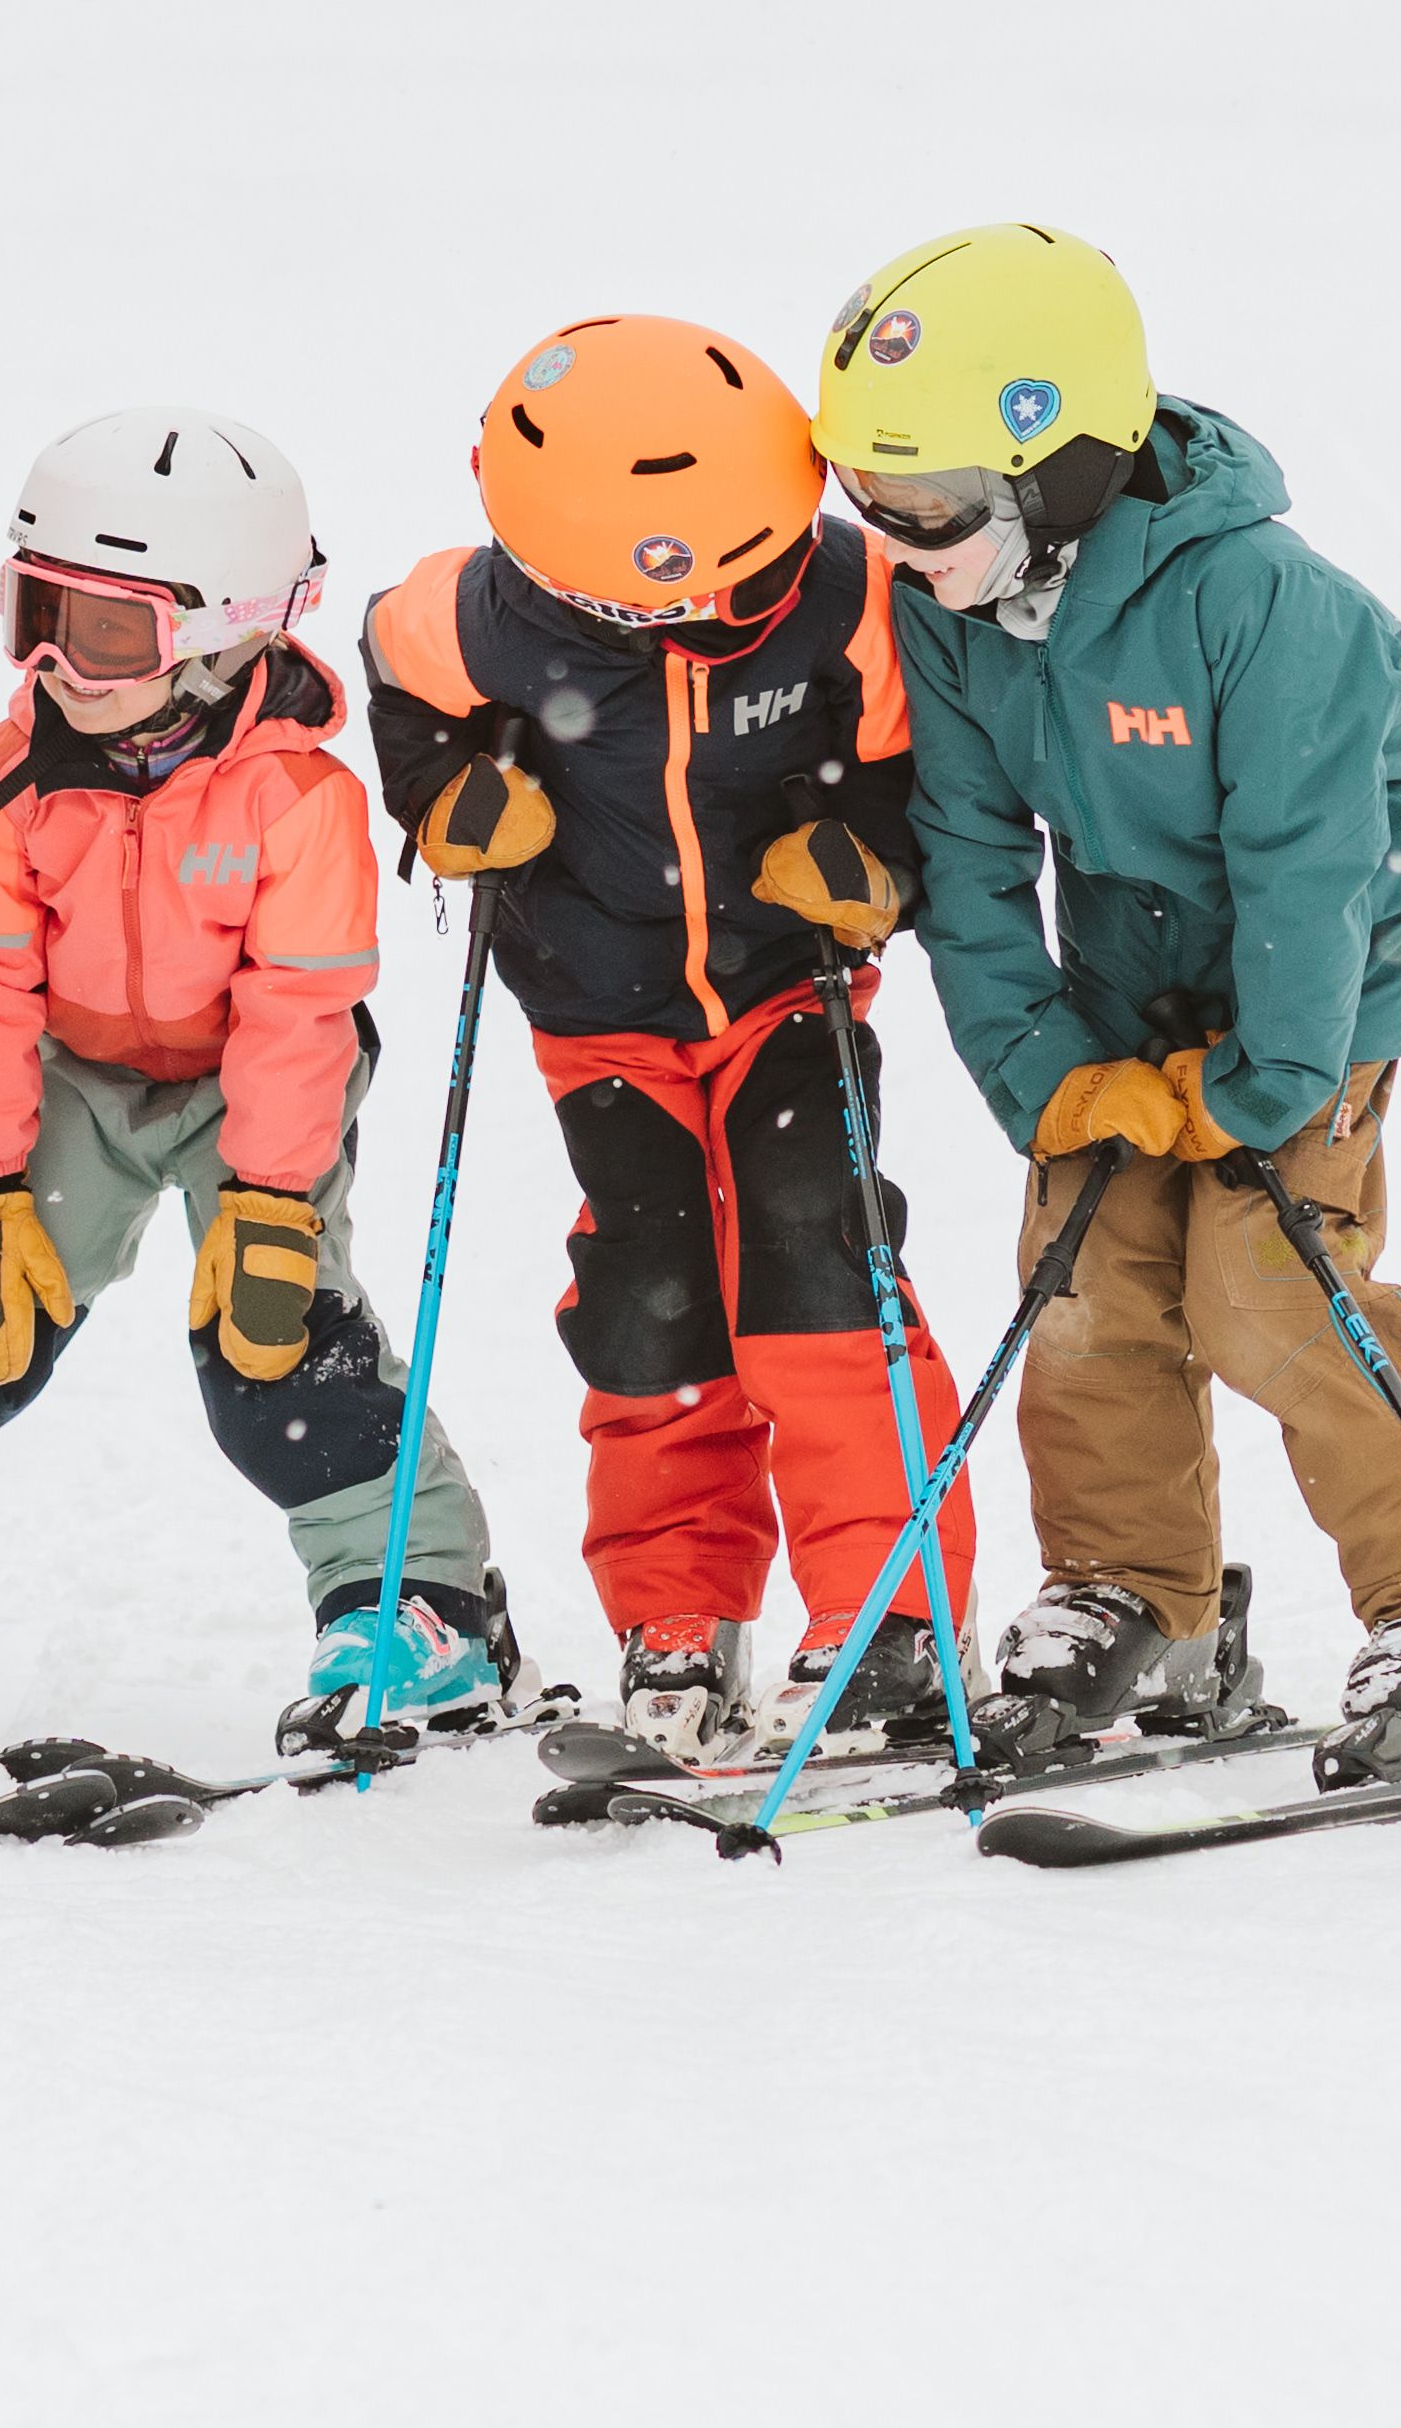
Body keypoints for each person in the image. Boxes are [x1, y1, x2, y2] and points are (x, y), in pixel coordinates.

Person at [809, 223, 1401, 1790]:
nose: (896, 539)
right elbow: (963, 852)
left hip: (1319, 993)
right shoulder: (956, 613)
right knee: (1086, 1285)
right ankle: (1132, 1597)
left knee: (1263, 1290)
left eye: (931, 504)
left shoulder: (1273, 605)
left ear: (1061, 459)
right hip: (1123, 999)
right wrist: (1046, 1071)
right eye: (868, 501)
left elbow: (1313, 864)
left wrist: (1268, 1079)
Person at [0, 406, 520, 1753]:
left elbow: (297, 1007)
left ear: (223, 628)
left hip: (249, 1088)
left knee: (271, 1342)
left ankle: (419, 1603)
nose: (53, 663)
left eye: (102, 633)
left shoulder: (298, 798)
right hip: (71, 1076)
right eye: (32, 614)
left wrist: (271, 1200)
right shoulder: (9, 775)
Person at [357, 315, 971, 1766]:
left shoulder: (851, 598)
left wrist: (870, 859)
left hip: (785, 989)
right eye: (672, 606)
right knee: (646, 1297)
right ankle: (675, 1614)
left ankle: (885, 1617)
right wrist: (447, 796)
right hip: (598, 1012)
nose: (724, 615)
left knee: (815, 1258)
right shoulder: (475, 618)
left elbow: (916, 767)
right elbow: (396, 673)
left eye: (748, 575)